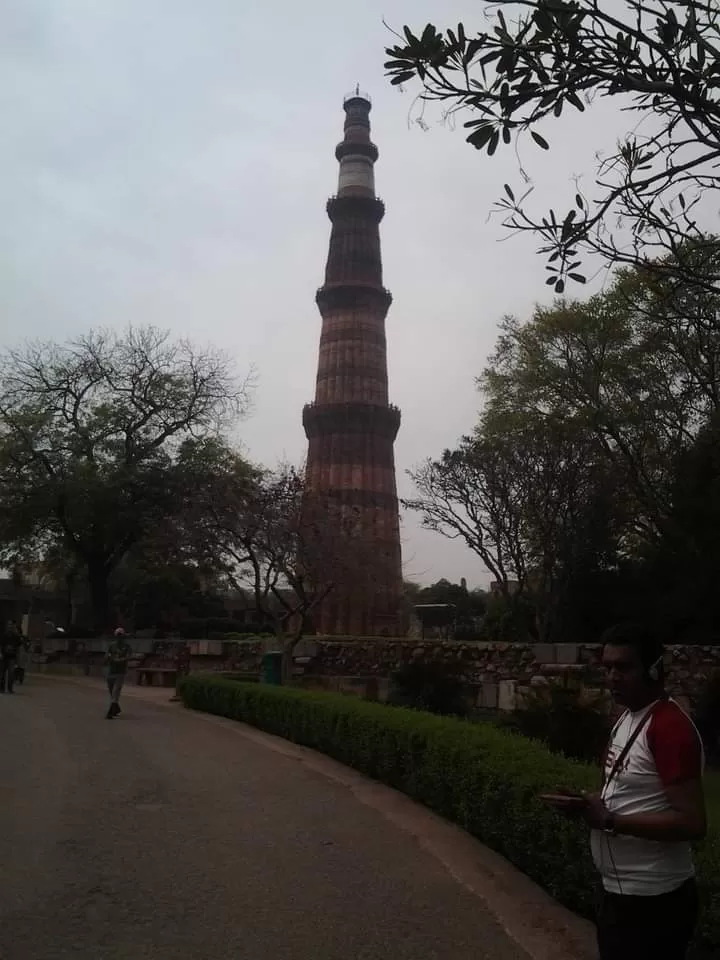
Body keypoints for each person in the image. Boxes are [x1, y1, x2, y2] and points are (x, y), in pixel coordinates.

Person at [544, 623, 706, 960]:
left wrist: (610, 821)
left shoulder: (669, 727)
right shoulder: (628, 718)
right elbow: (624, 792)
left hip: (654, 902)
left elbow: (692, 822)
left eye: (624, 667)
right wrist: (586, 803)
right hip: (618, 894)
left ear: (653, 669)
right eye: (607, 668)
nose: (613, 677)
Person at [105, 627, 132, 719]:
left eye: (121, 635)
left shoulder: (126, 646)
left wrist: (119, 660)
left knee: (116, 691)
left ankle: (111, 711)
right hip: (111, 670)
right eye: (118, 635)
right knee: (111, 690)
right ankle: (116, 707)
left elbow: (128, 656)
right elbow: (107, 655)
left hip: (120, 671)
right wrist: (110, 658)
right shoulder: (112, 645)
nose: (119, 637)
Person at [0, 626, 22, 694]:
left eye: (11, 627)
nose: (10, 629)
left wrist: (18, 658)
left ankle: (10, 689)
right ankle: (2, 688)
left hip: (12, 657)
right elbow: (0, 645)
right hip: (4, 656)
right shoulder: (3, 636)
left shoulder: (16, 637)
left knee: (11, 674)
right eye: (9, 627)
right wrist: (0, 653)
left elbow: (18, 647)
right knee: (2, 673)